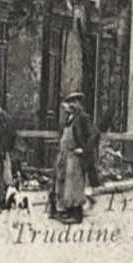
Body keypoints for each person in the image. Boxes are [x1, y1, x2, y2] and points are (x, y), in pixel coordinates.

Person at [50, 93, 97, 223]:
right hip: (64, 154)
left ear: (78, 104)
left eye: (73, 102)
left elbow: (94, 133)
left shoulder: (82, 118)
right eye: (68, 102)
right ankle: (65, 211)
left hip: (75, 155)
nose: (70, 105)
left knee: (74, 183)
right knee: (62, 182)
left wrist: (85, 149)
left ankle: (76, 214)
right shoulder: (67, 119)